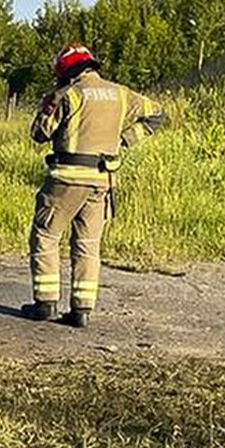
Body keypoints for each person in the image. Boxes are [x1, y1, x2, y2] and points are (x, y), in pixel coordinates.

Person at [22, 45, 166, 327]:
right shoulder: (122, 94)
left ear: (65, 70)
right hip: (103, 180)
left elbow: (40, 133)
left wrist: (46, 106)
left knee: (45, 236)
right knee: (88, 245)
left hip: (65, 179)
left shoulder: (67, 95)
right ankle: (82, 311)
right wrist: (124, 139)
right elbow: (157, 114)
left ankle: (45, 304)